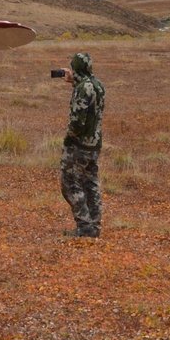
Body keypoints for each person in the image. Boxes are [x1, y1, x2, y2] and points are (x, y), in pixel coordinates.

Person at [59, 51, 104, 237]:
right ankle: (94, 225)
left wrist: (69, 138)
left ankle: (84, 226)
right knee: (90, 183)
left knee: (70, 183)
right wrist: (74, 81)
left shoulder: (82, 88)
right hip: (94, 144)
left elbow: (78, 121)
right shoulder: (98, 85)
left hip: (79, 145)